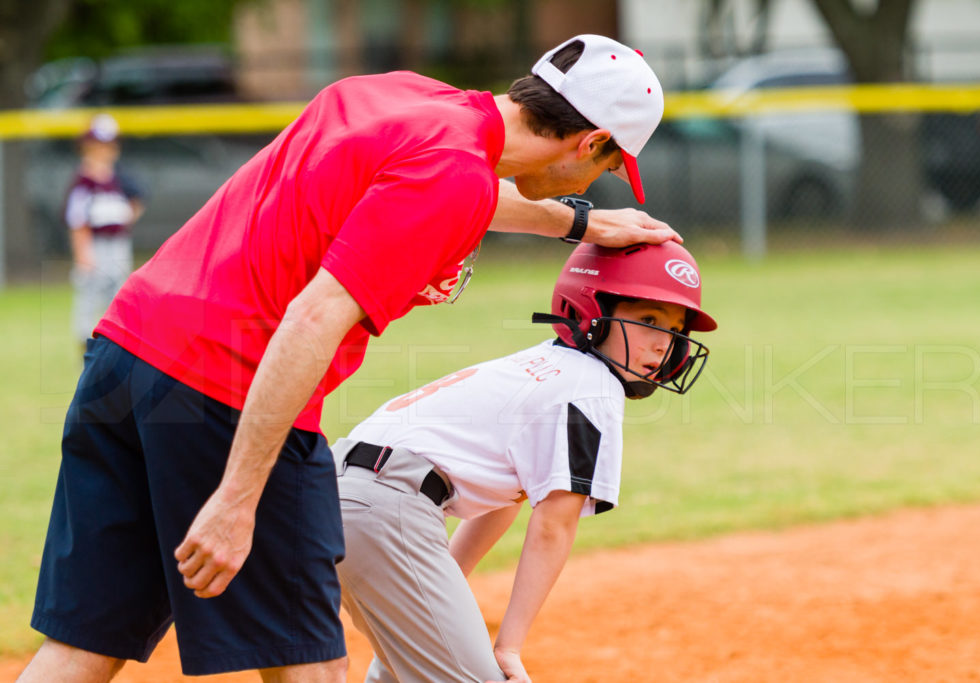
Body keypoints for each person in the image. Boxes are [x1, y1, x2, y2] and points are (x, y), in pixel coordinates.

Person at [20, 34, 676, 683]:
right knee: (315, 663)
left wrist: (579, 222)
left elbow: (443, 187)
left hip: (128, 349)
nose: (599, 182)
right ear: (590, 143)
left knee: (83, 647)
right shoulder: (454, 177)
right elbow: (315, 314)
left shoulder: (403, 95)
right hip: (225, 384)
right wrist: (238, 496)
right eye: (607, 168)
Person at [332, 240, 717, 683]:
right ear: (593, 310)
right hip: (386, 509)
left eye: (675, 327)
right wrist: (509, 645)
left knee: (401, 673)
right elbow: (555, 523)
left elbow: (504, 499)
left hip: (342, 493)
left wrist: (439, 585)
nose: (662, 343)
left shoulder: (541, 365)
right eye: (648, 320)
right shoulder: (593, 386)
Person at [64, 114, 145, 352]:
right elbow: (77, 221)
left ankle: (113, 345)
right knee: (90, 295)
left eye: (110, 146)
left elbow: (138, 199)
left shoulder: (120, 179)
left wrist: (125, 217)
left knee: (117, 294)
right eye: (99, 146)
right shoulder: (83, 182)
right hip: (95, 245)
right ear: (86, 147)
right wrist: (83, 253)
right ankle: (85, 345)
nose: (105, 151)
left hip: (118, 244)